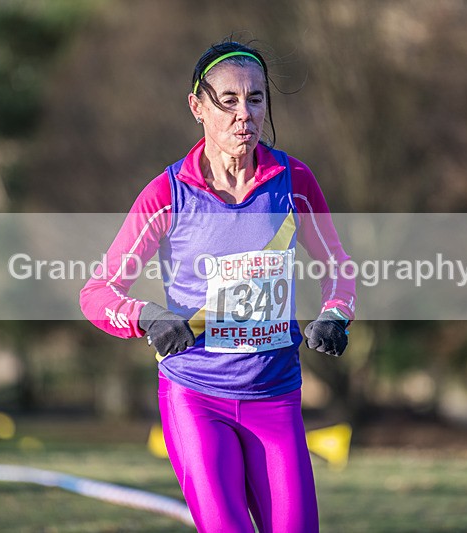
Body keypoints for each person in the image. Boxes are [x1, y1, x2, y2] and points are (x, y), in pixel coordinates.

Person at [80, 39, 356, 533]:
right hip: (196, 397)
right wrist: (150, 316)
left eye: (255, 99)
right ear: (197, 107)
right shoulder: (168, 194)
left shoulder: (293, 181)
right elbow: (98, 293)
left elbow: (338, 263)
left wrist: (336, 312)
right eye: (227, 101)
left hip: (275, 396)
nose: (244, 115)